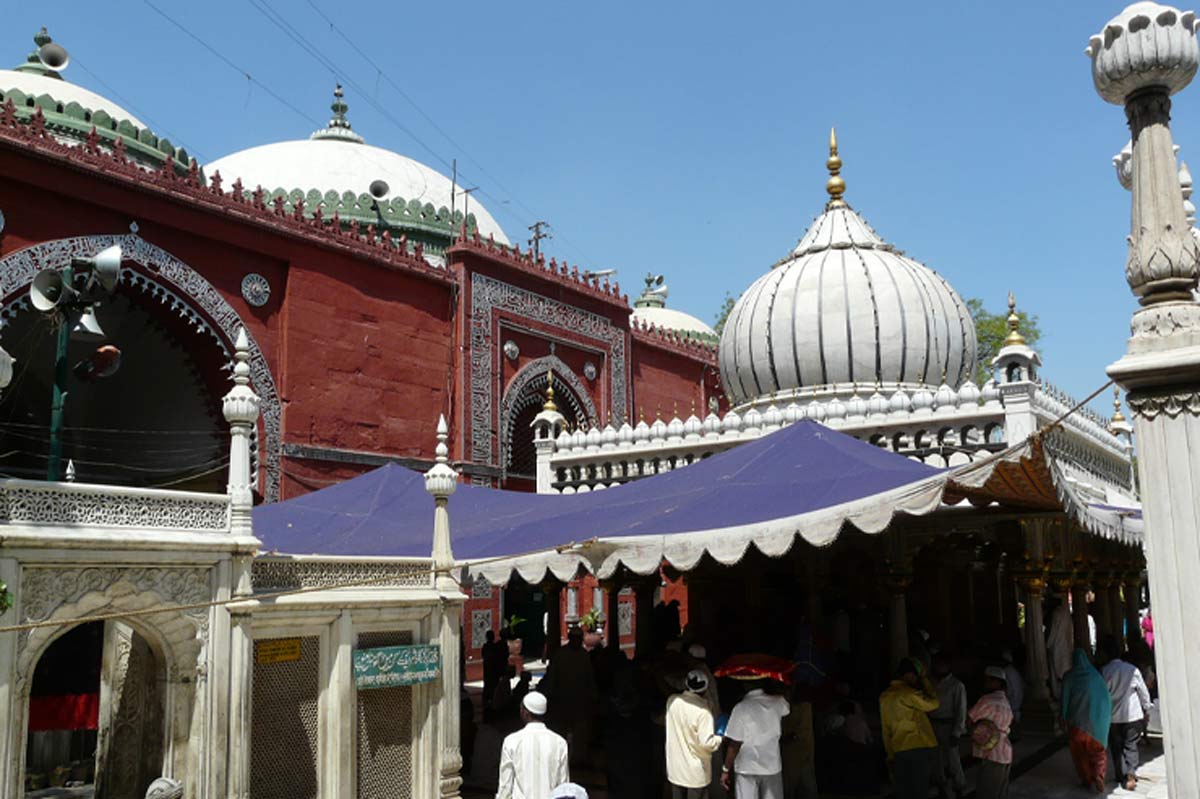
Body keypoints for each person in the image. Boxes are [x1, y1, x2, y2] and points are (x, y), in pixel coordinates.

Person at [879, 658, 940, 799]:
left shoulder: (884, 696)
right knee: (920, 790)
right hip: (918, 747)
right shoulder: (909, 694)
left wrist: (890, 755)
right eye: (915, 676)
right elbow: (934, 703)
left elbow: (885, 729)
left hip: (899, 749)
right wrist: (925, 680)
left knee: (904, 792)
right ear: (910, 675)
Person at [721, 680, 790, 799]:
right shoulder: (778, 701)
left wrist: (725, 769)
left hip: (746, 768)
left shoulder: (741, 708)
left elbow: (735, 743)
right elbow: (787, 709)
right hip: (772, 767)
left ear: (745, 684)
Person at [540, 626, 597, 766]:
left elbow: (589, 678)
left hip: (577, 700)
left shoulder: (583, 655)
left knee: (579, 731)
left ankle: (578, 759)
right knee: (561, 731)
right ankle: (560, 756)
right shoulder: (561, 655)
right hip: (563, 699)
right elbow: (553, 677)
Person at [1100, 637, 1151, 791]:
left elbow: (1103, 695)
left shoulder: (1104, 671)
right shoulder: (1132, 670)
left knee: (1116, 747)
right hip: (1132, 715)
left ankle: (1119, 774)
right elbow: (1143, 691)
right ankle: (1130, 773)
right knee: (1131, 745)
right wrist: (1146, 708)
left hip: (1113, 717)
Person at [496, 692, 569, 799]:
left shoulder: (512, 741)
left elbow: (505, 787)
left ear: (525, 713)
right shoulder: (559, 743)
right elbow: (563, 786)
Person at [666, 670, 724, 799]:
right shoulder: (704, 711)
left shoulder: (672, 701)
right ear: (705, 689)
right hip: (695, 772)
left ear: (686, 684)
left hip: (676, 769)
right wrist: (720, 737)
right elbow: (707, 743)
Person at [1060, 648, 1112, 792]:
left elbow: (1064, 700)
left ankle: (1087, 779)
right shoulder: (1096, 676)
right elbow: (1106, 699)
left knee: (1079, 753)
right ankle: (1098, 775)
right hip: (1097, 725)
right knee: (1098, 753)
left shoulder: (1069, 677)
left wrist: (1062, 718)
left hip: (1076, 724)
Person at [967, 666, 1013, 799]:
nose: (985, 683)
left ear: (997, 682)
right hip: (1005, 752)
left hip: (992, 753)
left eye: (988, 680)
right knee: (1000, 792)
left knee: (986, 792)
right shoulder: (1005, 701)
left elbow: (969, 719)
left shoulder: (987, 700)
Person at [928, 654, 967, 799]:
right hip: (932, 724)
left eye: (942, 664)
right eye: (937, 664)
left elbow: (961, 710)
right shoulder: (931, 683)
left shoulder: (956, 685)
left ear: (948, 666)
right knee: (935, 758)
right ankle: (940, 785)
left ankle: (959, 786)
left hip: (948, 725)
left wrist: (957, 732)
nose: (939, 667)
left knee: (953, 760)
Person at [1046, 599, 1074, 700]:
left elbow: (1052, 633)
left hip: (1057, 647)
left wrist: (1046, 645)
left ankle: (1058, 696)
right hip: (1066, 647)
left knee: (1056, 674)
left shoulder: (1056, 614)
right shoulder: (1067, 614)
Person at [482, 630, 508, 713]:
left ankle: (488, 701)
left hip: (489, 668)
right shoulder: (496, 646)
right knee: (494, 685)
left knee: (488, 685)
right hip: (494, 669)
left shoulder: (487, 646)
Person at [999, 650, 1024, 734]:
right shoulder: (1013, 670)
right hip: (1016, 703)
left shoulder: (1006, 671)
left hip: (1013, 703)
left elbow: (1009, 690)